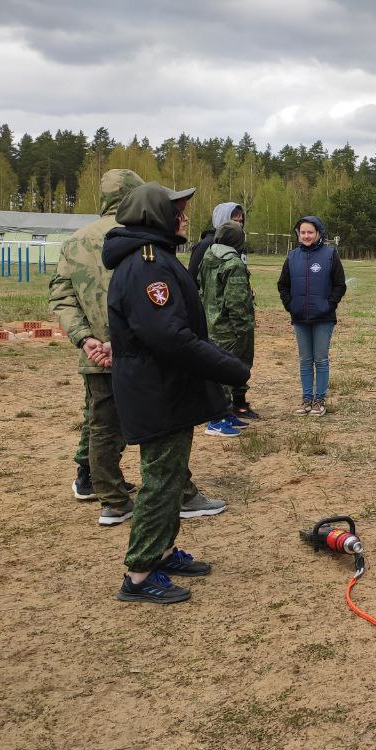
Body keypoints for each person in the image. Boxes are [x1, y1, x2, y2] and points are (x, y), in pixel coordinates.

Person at [103, 182, 250, 603]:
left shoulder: (154, 258)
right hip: (157, 391)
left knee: (170, 476)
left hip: (164, 389)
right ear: (155, 217)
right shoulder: (148, 264)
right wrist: (228, 366)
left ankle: (162, 553)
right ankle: (139, 574)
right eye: (178, 212)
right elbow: (168, 336)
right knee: (161, 481)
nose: (184, 218)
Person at [48, 168, 144, 523]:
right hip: (137, 349)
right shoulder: (139, 236)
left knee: (101, 422)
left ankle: (110, 497)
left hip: (94, 354)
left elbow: (61, 295)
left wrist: (85, 339)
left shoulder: (75, 241)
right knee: (153, 419)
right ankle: (162, 491)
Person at [277, 215, 346, 416]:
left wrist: (329, 304)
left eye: (310, 232)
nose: (306, 236)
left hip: (323, 318)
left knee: (321, 359)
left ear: (318, 234)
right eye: (303, 232)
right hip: (300, 318)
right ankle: (307, 399)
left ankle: (320, 400)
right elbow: (283, 285)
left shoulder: (330, 255)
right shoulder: (292, 257)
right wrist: (291, 305)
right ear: (298, 234)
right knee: (305, 360)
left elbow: (340, 285)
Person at [198, 220, 255, 437]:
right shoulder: (234, 264)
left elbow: (201, 289)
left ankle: (225, 412)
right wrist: (243, 329)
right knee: (225, 374)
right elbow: (237, 301)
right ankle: (216, 419)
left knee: (218, 370)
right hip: (230, 329)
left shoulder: (208, 258)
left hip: (212, 324)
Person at [187, 201, 246, 283]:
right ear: (223, 220)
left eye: (241, 221)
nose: (240, 225)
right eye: (235, 221)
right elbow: (191, 278)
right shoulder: (206, 245)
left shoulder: (236, 245)